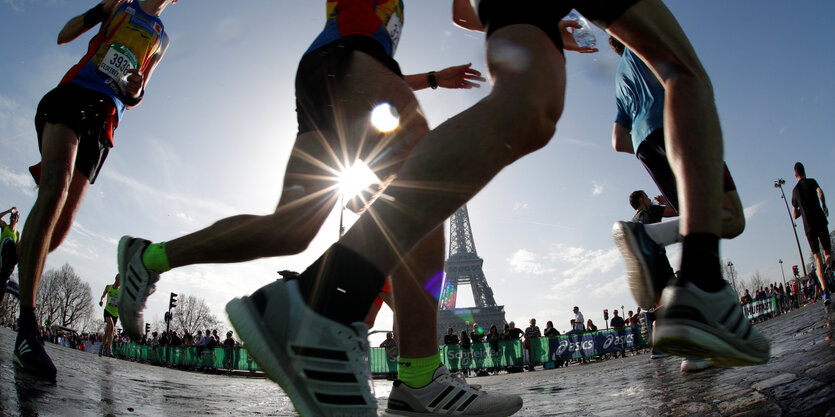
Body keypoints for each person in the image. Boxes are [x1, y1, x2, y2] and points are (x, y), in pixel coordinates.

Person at [13, 0, 178, 379]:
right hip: (74, 96)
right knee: (54, 188)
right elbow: (63, 35)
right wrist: (98, 11)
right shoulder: (121, 6)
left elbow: (138, 94)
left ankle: (12, 257)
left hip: (105, 119)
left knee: (60, 230)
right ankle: (27, 328)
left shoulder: (161, 37)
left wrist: (136, 89)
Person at [791, 162, 832, 307]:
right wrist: (824, 205)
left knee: (817, 258)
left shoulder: (795, 191)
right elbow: (820, 192)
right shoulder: (812, 181)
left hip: (809, 227)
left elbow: (795, 214)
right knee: (827, 252)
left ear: (795, 175)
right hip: (820, 220)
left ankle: (825, 291)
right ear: (804, 171)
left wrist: (802, 209)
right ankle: (829, 266)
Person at [0, 207, 20, 302]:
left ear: (17, 220)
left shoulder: (17, 234)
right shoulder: (5, 226)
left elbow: (17, 251)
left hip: (7, 265)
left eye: (14, 218)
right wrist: (8, 211)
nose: (12, 219)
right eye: (11, 217)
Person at [98, 274, 120, 357]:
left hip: (115, 313)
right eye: (119, 280)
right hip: (107, 311)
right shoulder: (108, 287)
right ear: (116, 279)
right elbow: (103, 295)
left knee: (108, 331)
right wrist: (101, 300)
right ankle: (109, 349)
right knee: (111, 326)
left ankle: (102, 346)